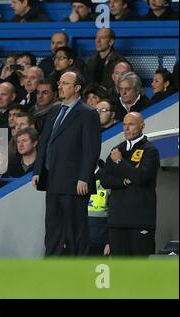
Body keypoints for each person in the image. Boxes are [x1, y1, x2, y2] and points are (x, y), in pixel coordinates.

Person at [32, 71, 101, 256]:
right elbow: (45, 141)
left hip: (74, 183)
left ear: (77, 88)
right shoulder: (54, 110)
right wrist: (37, 170)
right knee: (53, 230)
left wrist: (84, 177)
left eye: (65, 83)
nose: (60, 86)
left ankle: (78, 271)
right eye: (60, 83)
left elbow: (91, 149)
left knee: (76, 231)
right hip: (52, 179)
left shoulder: (88, 113)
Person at [99, 112, 160, 256]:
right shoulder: (116, 150)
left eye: (131, 124)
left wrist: (120, 163)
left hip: (140, 220)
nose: (126, 128)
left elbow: (142, 178)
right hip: (117, 221)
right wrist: (125, 180)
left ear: (142, 126)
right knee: (119, 270)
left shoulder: (150, 151)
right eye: (124, 124)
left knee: (140, 270)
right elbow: (105, 180)